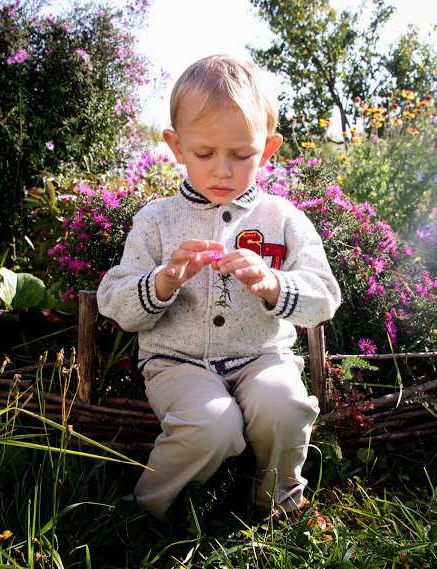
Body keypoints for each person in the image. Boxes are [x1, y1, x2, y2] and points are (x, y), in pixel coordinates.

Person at [96, 55, 341, 522]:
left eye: (242, 155)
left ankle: (277, 500)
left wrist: (274, 284)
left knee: (285, 406)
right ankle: (146, 512)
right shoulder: (157, 220)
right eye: (205, 154)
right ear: (176, 146)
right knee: (211, 425)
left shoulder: (283, 220)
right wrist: (163, 280)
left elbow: (324, 297)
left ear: (267, 151)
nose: (223, 172)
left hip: (261, 357)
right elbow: (117, 303)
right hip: (177, 362)